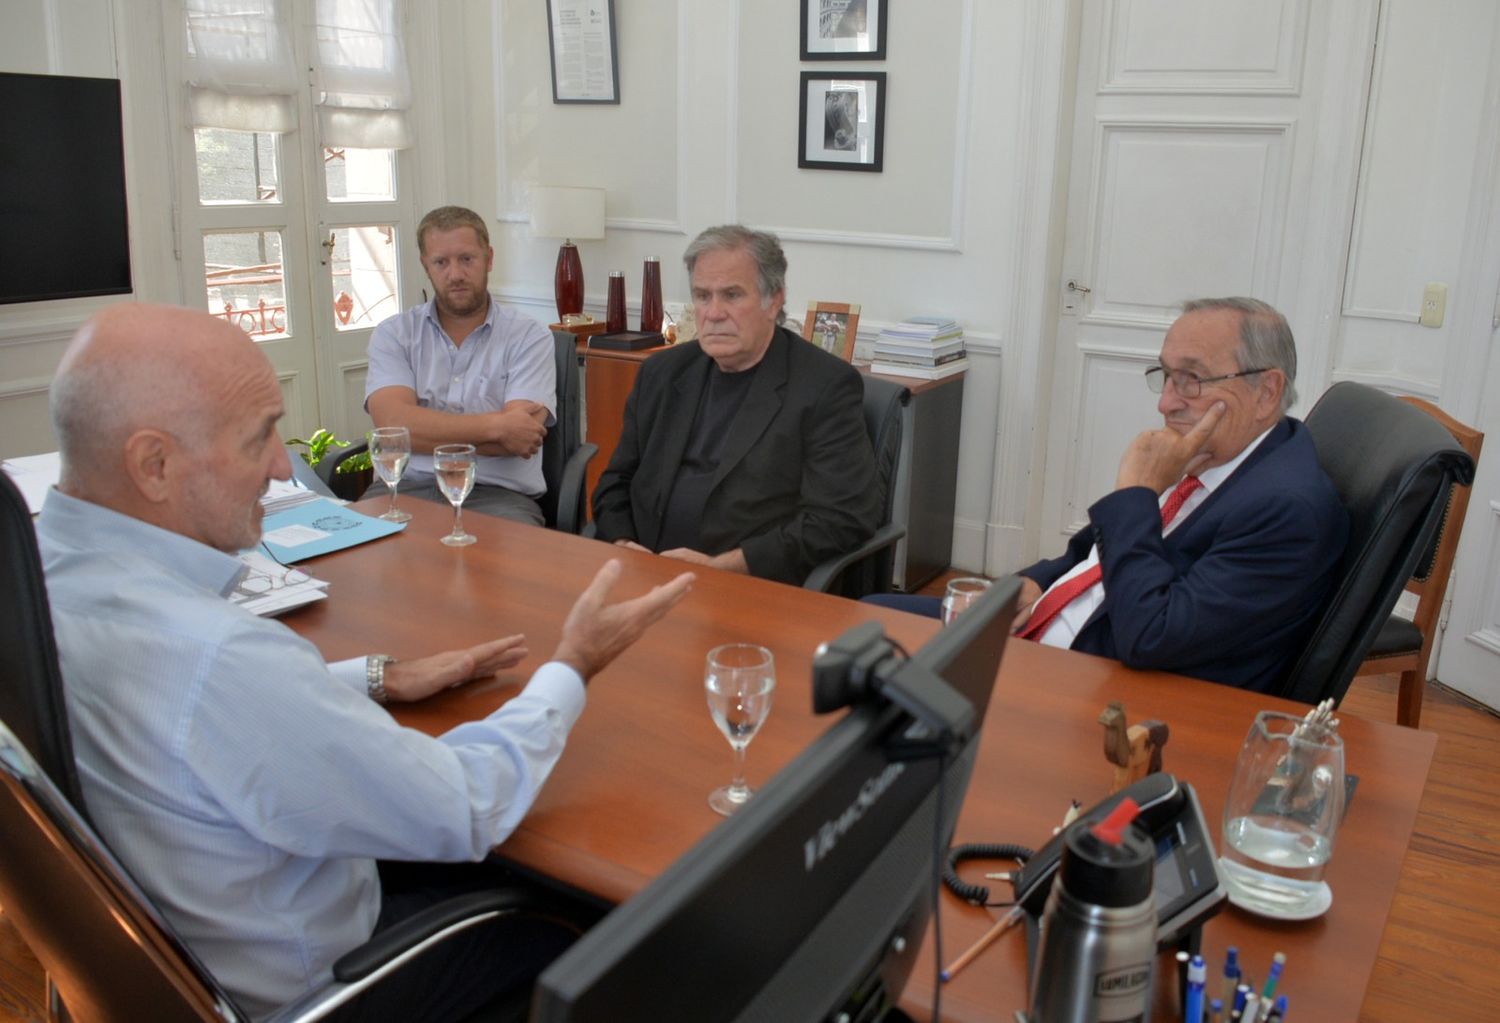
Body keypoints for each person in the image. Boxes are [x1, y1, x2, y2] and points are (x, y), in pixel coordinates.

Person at [38, 303, 695, 1020]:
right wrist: (572, 664)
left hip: (180, 954)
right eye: (259, 436)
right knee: (589, 920)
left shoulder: (44, 575)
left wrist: (376, 676)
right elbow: (465, 802)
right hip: (327, 985)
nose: (283, 465)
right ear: (154, 464)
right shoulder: (219, 655)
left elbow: (201, 727)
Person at [877, 297, 1348, 693]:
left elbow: (1151, 636)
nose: (1166, 402)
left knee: (875, 645)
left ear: (1267, 391)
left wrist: (1139, 494)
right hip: (1053, 627)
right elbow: (1089, 553)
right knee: (871, 617)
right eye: (1164, 376)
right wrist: (1036, 582)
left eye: (1192, 379)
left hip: (1093, 681)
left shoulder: (1288, 511)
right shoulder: (1227, 457)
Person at [591, 225, 881, 586]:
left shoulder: (824, 386)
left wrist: (726, 566)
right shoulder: (662, 373)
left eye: (731, 295)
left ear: (773, 299)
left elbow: (840, 518)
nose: (713, 313)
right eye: (702, 295)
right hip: (643, 572)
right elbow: (616, 481)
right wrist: (623, 545)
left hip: (745, 584)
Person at [365, 205, 555, 525]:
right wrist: (497, 427)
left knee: (506, 572)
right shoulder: (394, 335)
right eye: (441, 262)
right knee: (357, 564)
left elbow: (519, 439)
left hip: (497, 496)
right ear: (426, 265)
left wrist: (422, 432)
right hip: (406, 489)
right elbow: (391, 428)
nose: (455, 274)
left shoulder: (529, 336)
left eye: (467, 259)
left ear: (489, 258)